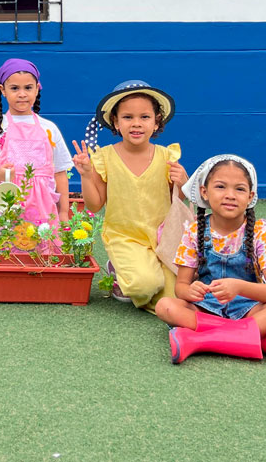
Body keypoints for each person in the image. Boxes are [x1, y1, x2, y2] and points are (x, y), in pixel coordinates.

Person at [155, 155, 266, 363]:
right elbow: (182, 287)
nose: (230, 195)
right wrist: (191, 291)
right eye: (220, 187)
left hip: (250, 308)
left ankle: (199, 341)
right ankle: (259, 339)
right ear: (204, 191)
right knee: (165, 306)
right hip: (207, 307)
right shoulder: (194, 230)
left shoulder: (260, 232)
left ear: (250, 196)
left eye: (239, 189)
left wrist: (239, 287)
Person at [71, 80, 187, 311]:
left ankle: (146, 272)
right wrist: (85, 174)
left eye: (145, 117)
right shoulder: (105, 157)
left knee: (179, 294)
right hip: (125, 238)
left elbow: (178, 201)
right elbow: (95, 205)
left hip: (163, 238)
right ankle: (120, 270)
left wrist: (182, 183)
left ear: (157, 122)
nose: (136, 124)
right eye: (127, 117)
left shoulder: (167, 156)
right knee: (144, 287)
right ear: (115, 122)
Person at [0, 59, 73, 243]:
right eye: (14, 88)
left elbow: (60, 173)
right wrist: (0, 174)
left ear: (37, 88)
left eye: (28, 88)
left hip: (44, 209)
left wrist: (64, 211)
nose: (22, 94)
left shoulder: (49, 129)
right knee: (6, 251)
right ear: (3, 90)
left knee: (44, 252)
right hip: (7, 206)